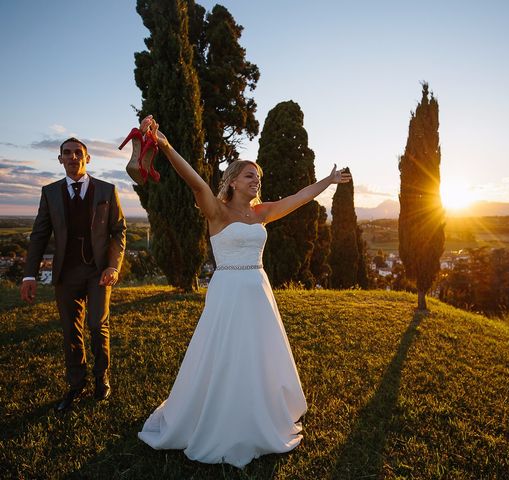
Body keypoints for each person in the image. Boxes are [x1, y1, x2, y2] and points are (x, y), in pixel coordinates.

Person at [137, 115, 351, 468]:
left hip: (258, 289)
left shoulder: (261, 213)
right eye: (250, 175)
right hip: (228, 289)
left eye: (259, 177)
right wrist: (163, 144)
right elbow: (193, 181)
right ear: (233, 181)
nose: (256, 181)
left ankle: (260, 413)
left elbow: (299, 198)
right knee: (224, 352)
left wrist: (328, 180)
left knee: (258, 354)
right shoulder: (216, 211)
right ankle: (217, 417)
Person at [20, 137, 126, 411]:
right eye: (67, 153)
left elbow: (118, 231)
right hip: (65, 274)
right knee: (70, 331)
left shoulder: (107, 190)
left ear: (87, 158)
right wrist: (29, 275)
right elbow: (40, 234)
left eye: (78, 153)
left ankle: (101, 377)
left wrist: (113, 266)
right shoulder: (50, 192)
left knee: (96, 324)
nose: (72, 157)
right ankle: (76, 384)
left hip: (98, 271)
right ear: (60, 159)